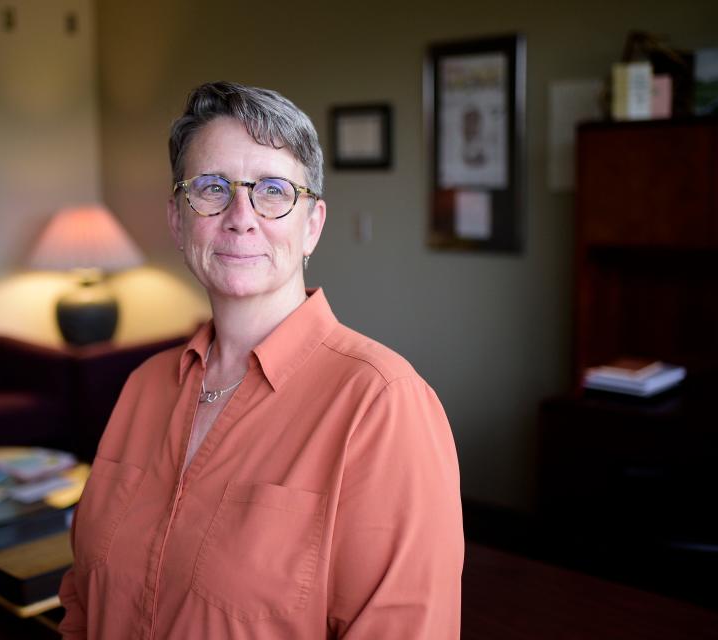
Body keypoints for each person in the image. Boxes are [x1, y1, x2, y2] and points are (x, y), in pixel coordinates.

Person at [58, 81, 463, 639]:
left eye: (273, 190)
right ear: (178, 221)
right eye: (211, 188)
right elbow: (82, 601)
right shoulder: (143, 387)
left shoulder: (382, 404)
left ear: (312, 226)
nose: (241, 216)